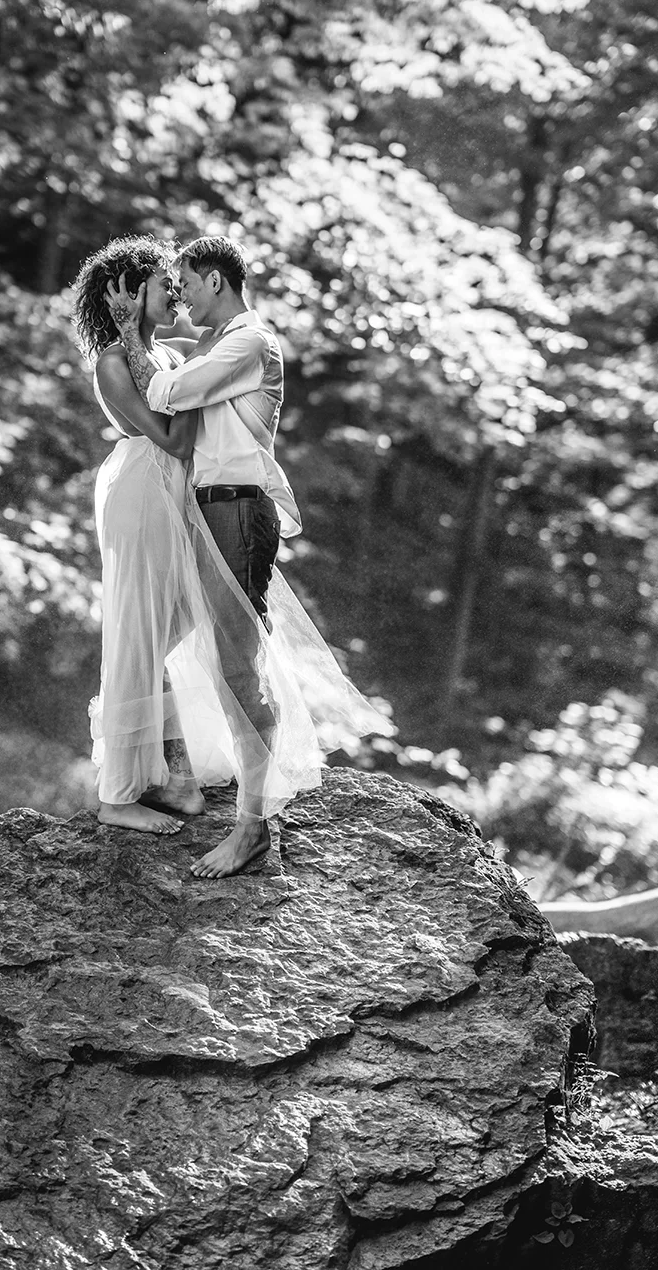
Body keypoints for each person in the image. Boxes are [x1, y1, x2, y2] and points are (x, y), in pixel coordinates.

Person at [106, 234, 394, 878]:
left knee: (239, 664)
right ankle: (190, 784)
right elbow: (166, 379)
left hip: (236, 506)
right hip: (214, 510)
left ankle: (252, 826)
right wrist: (133, 332)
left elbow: (166, 395)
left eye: (185, 281)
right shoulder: (218, 343)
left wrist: (131, 336)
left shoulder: (248, 342)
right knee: (200, 651)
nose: (179, 294)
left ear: (214, 280)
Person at [71, 234, 208, 835]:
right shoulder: (111, 362)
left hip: (174, 496)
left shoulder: (169, 356)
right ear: (127, 293)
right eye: (162, 283)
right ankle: (119, 793)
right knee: (139, 634)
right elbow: (174, 438)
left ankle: (166, 774)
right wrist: (127, 335)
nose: (174, 292)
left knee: (176, 625)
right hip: (144, 493)